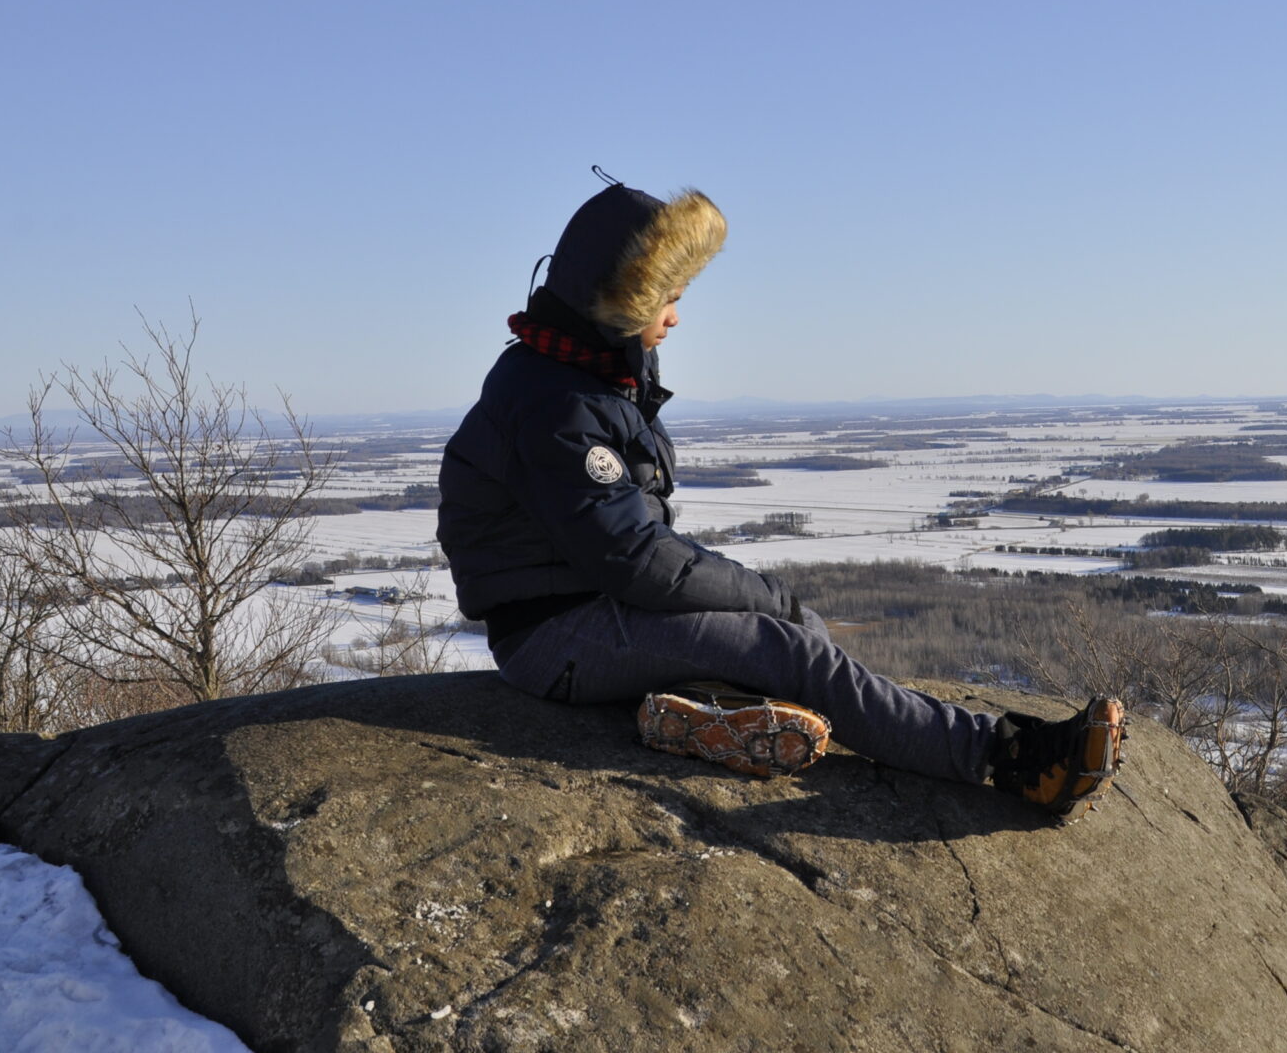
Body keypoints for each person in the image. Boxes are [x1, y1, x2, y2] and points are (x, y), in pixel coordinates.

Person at [437, 172, 1123, 817]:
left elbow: (631, 543)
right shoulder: (558, 402)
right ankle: (1012, 758)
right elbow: (633, 556)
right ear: (617, 303)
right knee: (791, 648)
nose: (676, 318)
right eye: (666, 299)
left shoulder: (585, 373)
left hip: (585, 605)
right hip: (552, 634)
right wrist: (765, 597)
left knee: (798, 637)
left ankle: (703, 716)